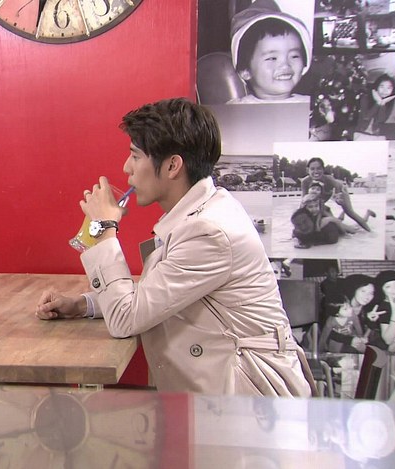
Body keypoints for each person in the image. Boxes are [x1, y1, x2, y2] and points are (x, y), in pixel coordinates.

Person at [35, 97, 314, 397]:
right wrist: (82, 305)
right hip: (223, 395)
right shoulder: (202, 211)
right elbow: (156, 295)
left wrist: (104, 228)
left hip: (250, 404)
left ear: (172, 165)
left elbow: (125, 319)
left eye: (136, 155)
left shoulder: (208, 231)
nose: (126, 167)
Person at [228, 0, 311, 103]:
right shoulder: (235, 108)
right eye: (272, 58)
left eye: (294, 56)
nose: (285, 65)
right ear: (246, 71)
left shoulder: (313, 106)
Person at [300, 157, 375, 232]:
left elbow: (338, 194)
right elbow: (303, 203)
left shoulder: (329, 179)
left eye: (319, 168)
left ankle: (369, 230)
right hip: (321, 196)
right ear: (308, 170)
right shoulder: (305, 182)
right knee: (319, 212)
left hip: (340, 190)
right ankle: (342, 217)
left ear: (323, 169)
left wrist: (339, 200)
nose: (316, 171)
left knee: (349, 212)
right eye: (312, 169)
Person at [354, 73, 395, 140]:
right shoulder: (365, 98)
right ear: (376, 86)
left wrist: (382, 104)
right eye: (382, 87)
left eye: (389, 88)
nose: (385, 91)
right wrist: (377, 103)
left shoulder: (389, 102)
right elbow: (366, 117)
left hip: (376, 135)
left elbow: (381, 120)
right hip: (360, 133)